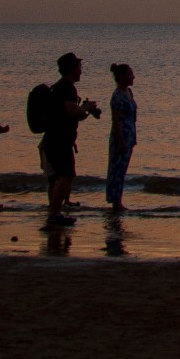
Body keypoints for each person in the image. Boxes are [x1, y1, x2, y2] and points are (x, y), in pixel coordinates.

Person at [41, 52, 101, 228]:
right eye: (79, 67)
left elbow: (75, 115)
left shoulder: (61, 87)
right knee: (66, 176)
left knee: (61, 177)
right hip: (58, 141)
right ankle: (54, 214)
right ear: (72, 69)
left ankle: (55, 212)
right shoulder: (67, 87)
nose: (81, 71)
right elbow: (72, 111)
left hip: (56, 140)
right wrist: (86, 107)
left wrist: (86, 110)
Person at [106, 63, 138, 213]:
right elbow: (116, 120)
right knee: (116, 170)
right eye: (130, 74)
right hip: (121, 138)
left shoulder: (129, 93)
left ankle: (118, 200)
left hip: (129, 136)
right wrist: (121, 141)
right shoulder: (117, 95)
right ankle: (115, 202)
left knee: (122, 170)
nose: (133, 77)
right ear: (123, 76)